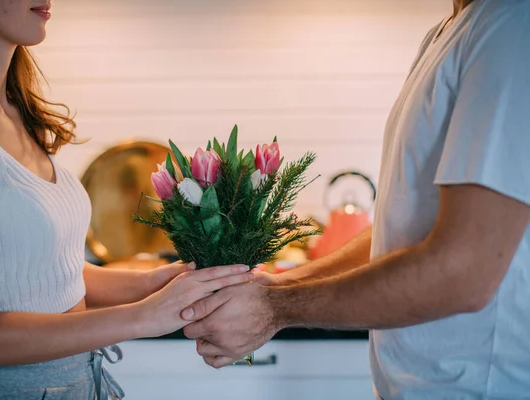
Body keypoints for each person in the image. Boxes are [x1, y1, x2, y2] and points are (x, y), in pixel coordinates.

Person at [181, 0, 530, 398]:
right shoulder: (449, 32)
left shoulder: (512, 25)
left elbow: (463, 272)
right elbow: (399, 234)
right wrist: (275, 287)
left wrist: (275, 308)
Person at [0, 1, 254, 399]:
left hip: (81, 384)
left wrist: (154, 282)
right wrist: (145, 315)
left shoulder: (18, 113)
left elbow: (44, 274)